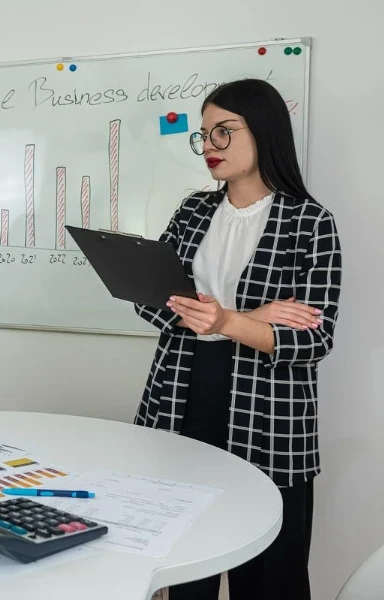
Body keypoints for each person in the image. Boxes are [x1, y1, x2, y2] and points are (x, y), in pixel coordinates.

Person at [134, 78, 342, 600]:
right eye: (203, 135)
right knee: (187, 559)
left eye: (223, 132)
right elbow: (148, 297)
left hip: (269, 410)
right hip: (184, 392)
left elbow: (310, 340)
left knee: (271, 574)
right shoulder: (193, 211)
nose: (209, 147)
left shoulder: (311, 223)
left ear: (265, 130)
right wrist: (248, 317)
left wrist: (224, 321)